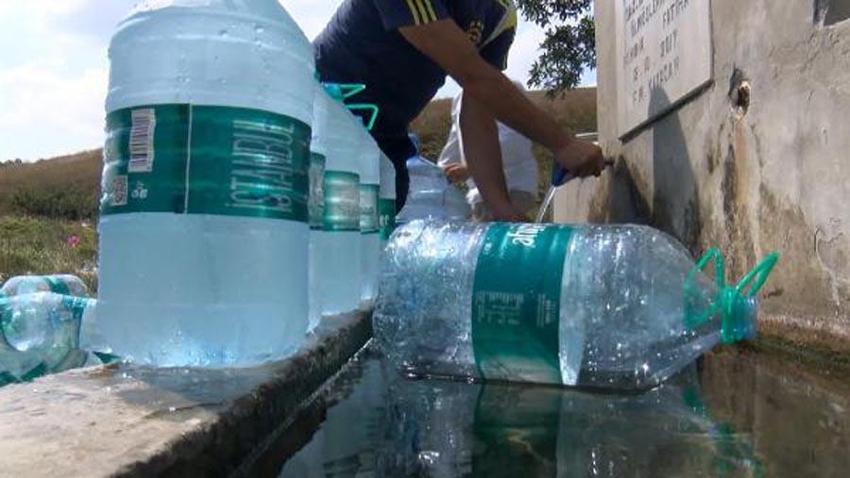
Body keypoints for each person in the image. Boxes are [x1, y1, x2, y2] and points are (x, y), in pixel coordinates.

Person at [314, 0, 606, 221]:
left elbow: (478, 109)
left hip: (385, 136)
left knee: (372, 235)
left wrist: (501, 208)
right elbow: (473, 74)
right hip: (321, 113)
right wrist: (563, 143)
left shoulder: (500, 15)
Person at [438, 83, 538, 221]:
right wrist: (439, 172)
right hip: (480, 193)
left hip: (512, 186)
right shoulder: (460, 97)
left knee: (496, 229)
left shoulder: (504, 87)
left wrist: (472, 167)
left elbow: (514, 143)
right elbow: (457, 138)